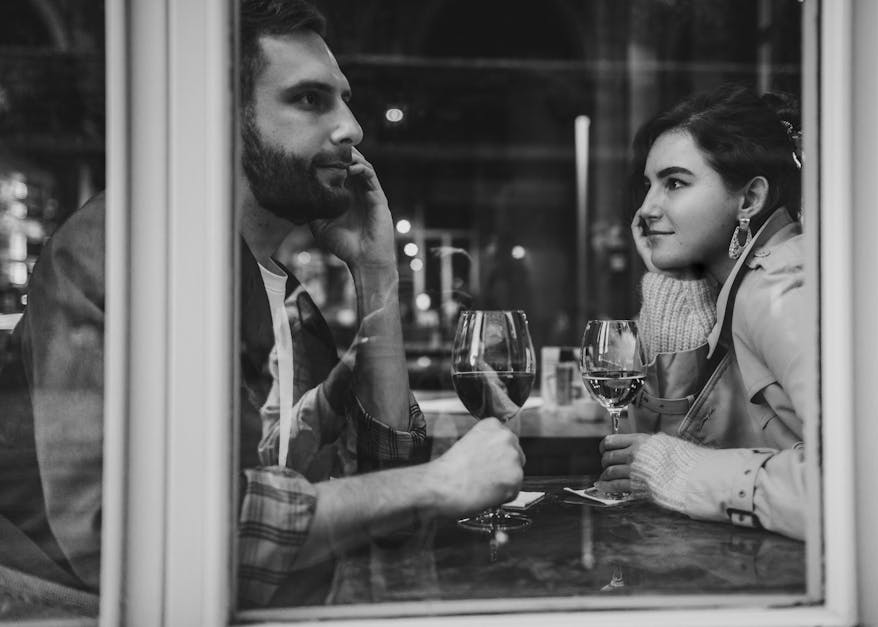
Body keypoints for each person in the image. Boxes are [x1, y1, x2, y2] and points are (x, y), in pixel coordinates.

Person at [0, 0, 525, 608]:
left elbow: (377, 490)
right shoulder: (126, 253)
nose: (351, 127)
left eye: (344, 98)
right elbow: (117, 533)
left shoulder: (285, 295)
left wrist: (375, 271)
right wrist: (437, 484)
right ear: (224, 116)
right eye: (309, 99)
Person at [596, 84, 808, 541]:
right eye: (648, 184)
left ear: (749, 200)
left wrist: (685, 473)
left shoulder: (779, 292)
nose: (646, 208)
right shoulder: (741, 284)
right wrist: (671, 288)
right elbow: (660, 460)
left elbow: (858, 486)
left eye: (675, 183)